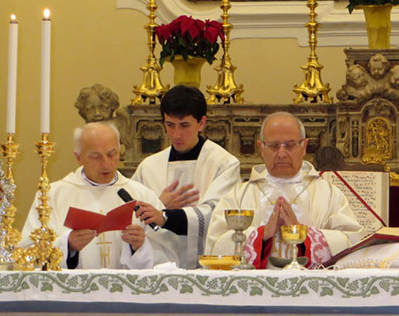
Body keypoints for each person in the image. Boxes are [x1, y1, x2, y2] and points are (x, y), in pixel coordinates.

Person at [205, 112, 363, 268]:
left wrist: (305, 236)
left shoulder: (330, 194)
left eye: (290, 145)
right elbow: (215, 244)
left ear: (304, 146)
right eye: (273, 146)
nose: (281, 154)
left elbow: (351, 242)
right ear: (261, 148)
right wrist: (262, 235)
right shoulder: (237, 196)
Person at [20, 122, 162, 269]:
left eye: (112, 154)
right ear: (78, 157)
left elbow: (168, 254)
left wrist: (140, 247)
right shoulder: (52, 196)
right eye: (96, 157)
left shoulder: (142, 194)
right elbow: (28, 253)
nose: (106, 164)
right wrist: (68, 245)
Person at [131, 85, 240, 268]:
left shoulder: (223, 164)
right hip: (158, 268)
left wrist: (165, 216)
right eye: (169, 125)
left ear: (201, 123)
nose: (176, 134)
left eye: (184, 125)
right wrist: (160, 204)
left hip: (207, 268)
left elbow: (219, 215)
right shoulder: (149, 167)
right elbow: (130, 212)